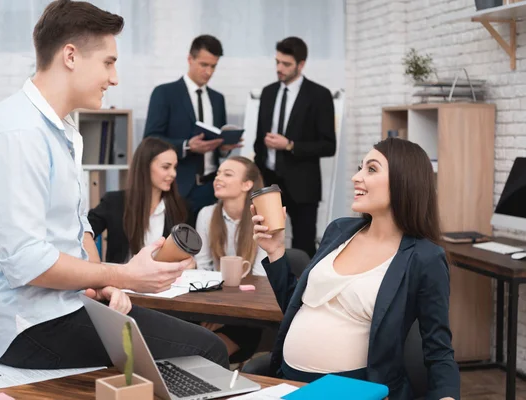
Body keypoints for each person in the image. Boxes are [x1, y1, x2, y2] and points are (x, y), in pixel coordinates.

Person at [0, 0, 228, 370]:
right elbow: (26, 262)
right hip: (31, 326)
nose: (114, 77)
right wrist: (124, 274)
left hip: (66, 306)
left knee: (191, 346)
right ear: (70, 56)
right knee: (207, 351)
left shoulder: (62, 129)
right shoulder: (18, 132)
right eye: (108, 62)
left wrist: (107, 284)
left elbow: (77, 225)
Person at [252, 138, 460, 400]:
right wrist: (275, 251)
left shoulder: (425, 257)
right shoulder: (339, 230)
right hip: (289, 383)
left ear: (404, 180)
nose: (355, 177)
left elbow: (438, 349)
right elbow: (297, 307)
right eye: (360, 168)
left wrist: (447, 396)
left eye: (371, 169)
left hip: (358, 391)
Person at [253, 37, 336, 258]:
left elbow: (329, 146)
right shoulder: (268, 92)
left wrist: (289, 145)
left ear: (301, 64)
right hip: (269, 182)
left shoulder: (319, 95)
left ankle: (301, 291)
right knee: (265, 243)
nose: (279, 68)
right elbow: (259, 138)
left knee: (303, 247)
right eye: (277, 62)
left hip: (303, 185)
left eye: (286, 64)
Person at [144, 35, 240, 224]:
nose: (208, 72)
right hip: (178, 186)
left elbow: (216, 142)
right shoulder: (165, 93)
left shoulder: (217, 99)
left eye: (213, 66)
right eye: (204, 64)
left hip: (212, 187)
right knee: (178, 246)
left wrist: (223, 148)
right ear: (190, 59)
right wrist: (187, 146)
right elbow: (150, 140)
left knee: (210, 246)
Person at [195, 156, 267, 362]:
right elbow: (203, 267)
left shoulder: (264, 218)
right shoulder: (206, 214)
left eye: (227, 174)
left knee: (209, 352)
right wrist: (215, 314)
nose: (218, 178)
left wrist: (226, 317)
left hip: (247, 313)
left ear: (247, 184)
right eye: (218, 173)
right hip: (212, 304)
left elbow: (261, 278)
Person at [88, 137, 188, 264]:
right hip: (120, 281)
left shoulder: (180, 208)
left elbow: (186, 254)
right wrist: (95, 266)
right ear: (145, 167)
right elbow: (83, 232)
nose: (173, 173)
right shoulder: (114, 202)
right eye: (166, 167)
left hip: (164, 282)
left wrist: (189, 262)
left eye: (175, 167)